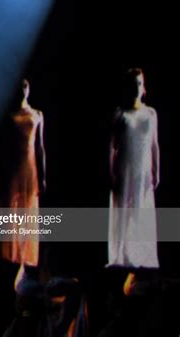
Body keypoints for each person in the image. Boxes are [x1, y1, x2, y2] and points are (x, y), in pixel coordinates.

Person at [108, 68, 160, 294]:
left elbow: (154, 144)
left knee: (142, 210)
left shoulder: (151, 114)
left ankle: (141, 254)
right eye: (133, 84)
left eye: (140, 83)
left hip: (144, 167)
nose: (137, 88)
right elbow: (110, 146)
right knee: (126, 211)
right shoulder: (120, 114)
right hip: (126, 166)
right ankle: (124, 254)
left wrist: (157, 169)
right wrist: (110, 172)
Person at [0, 79, 46, 293]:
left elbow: (40, 147)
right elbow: (1, 149)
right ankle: (12, 257)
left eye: (26, 86)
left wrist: (43, 176)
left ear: (29, 89)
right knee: (13, 210)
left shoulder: (37, 114)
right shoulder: (9, 116)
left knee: (29, 210)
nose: (23, 90)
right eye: (20, 87)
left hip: (30, 167)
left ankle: (26, 255)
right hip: (13, 167)